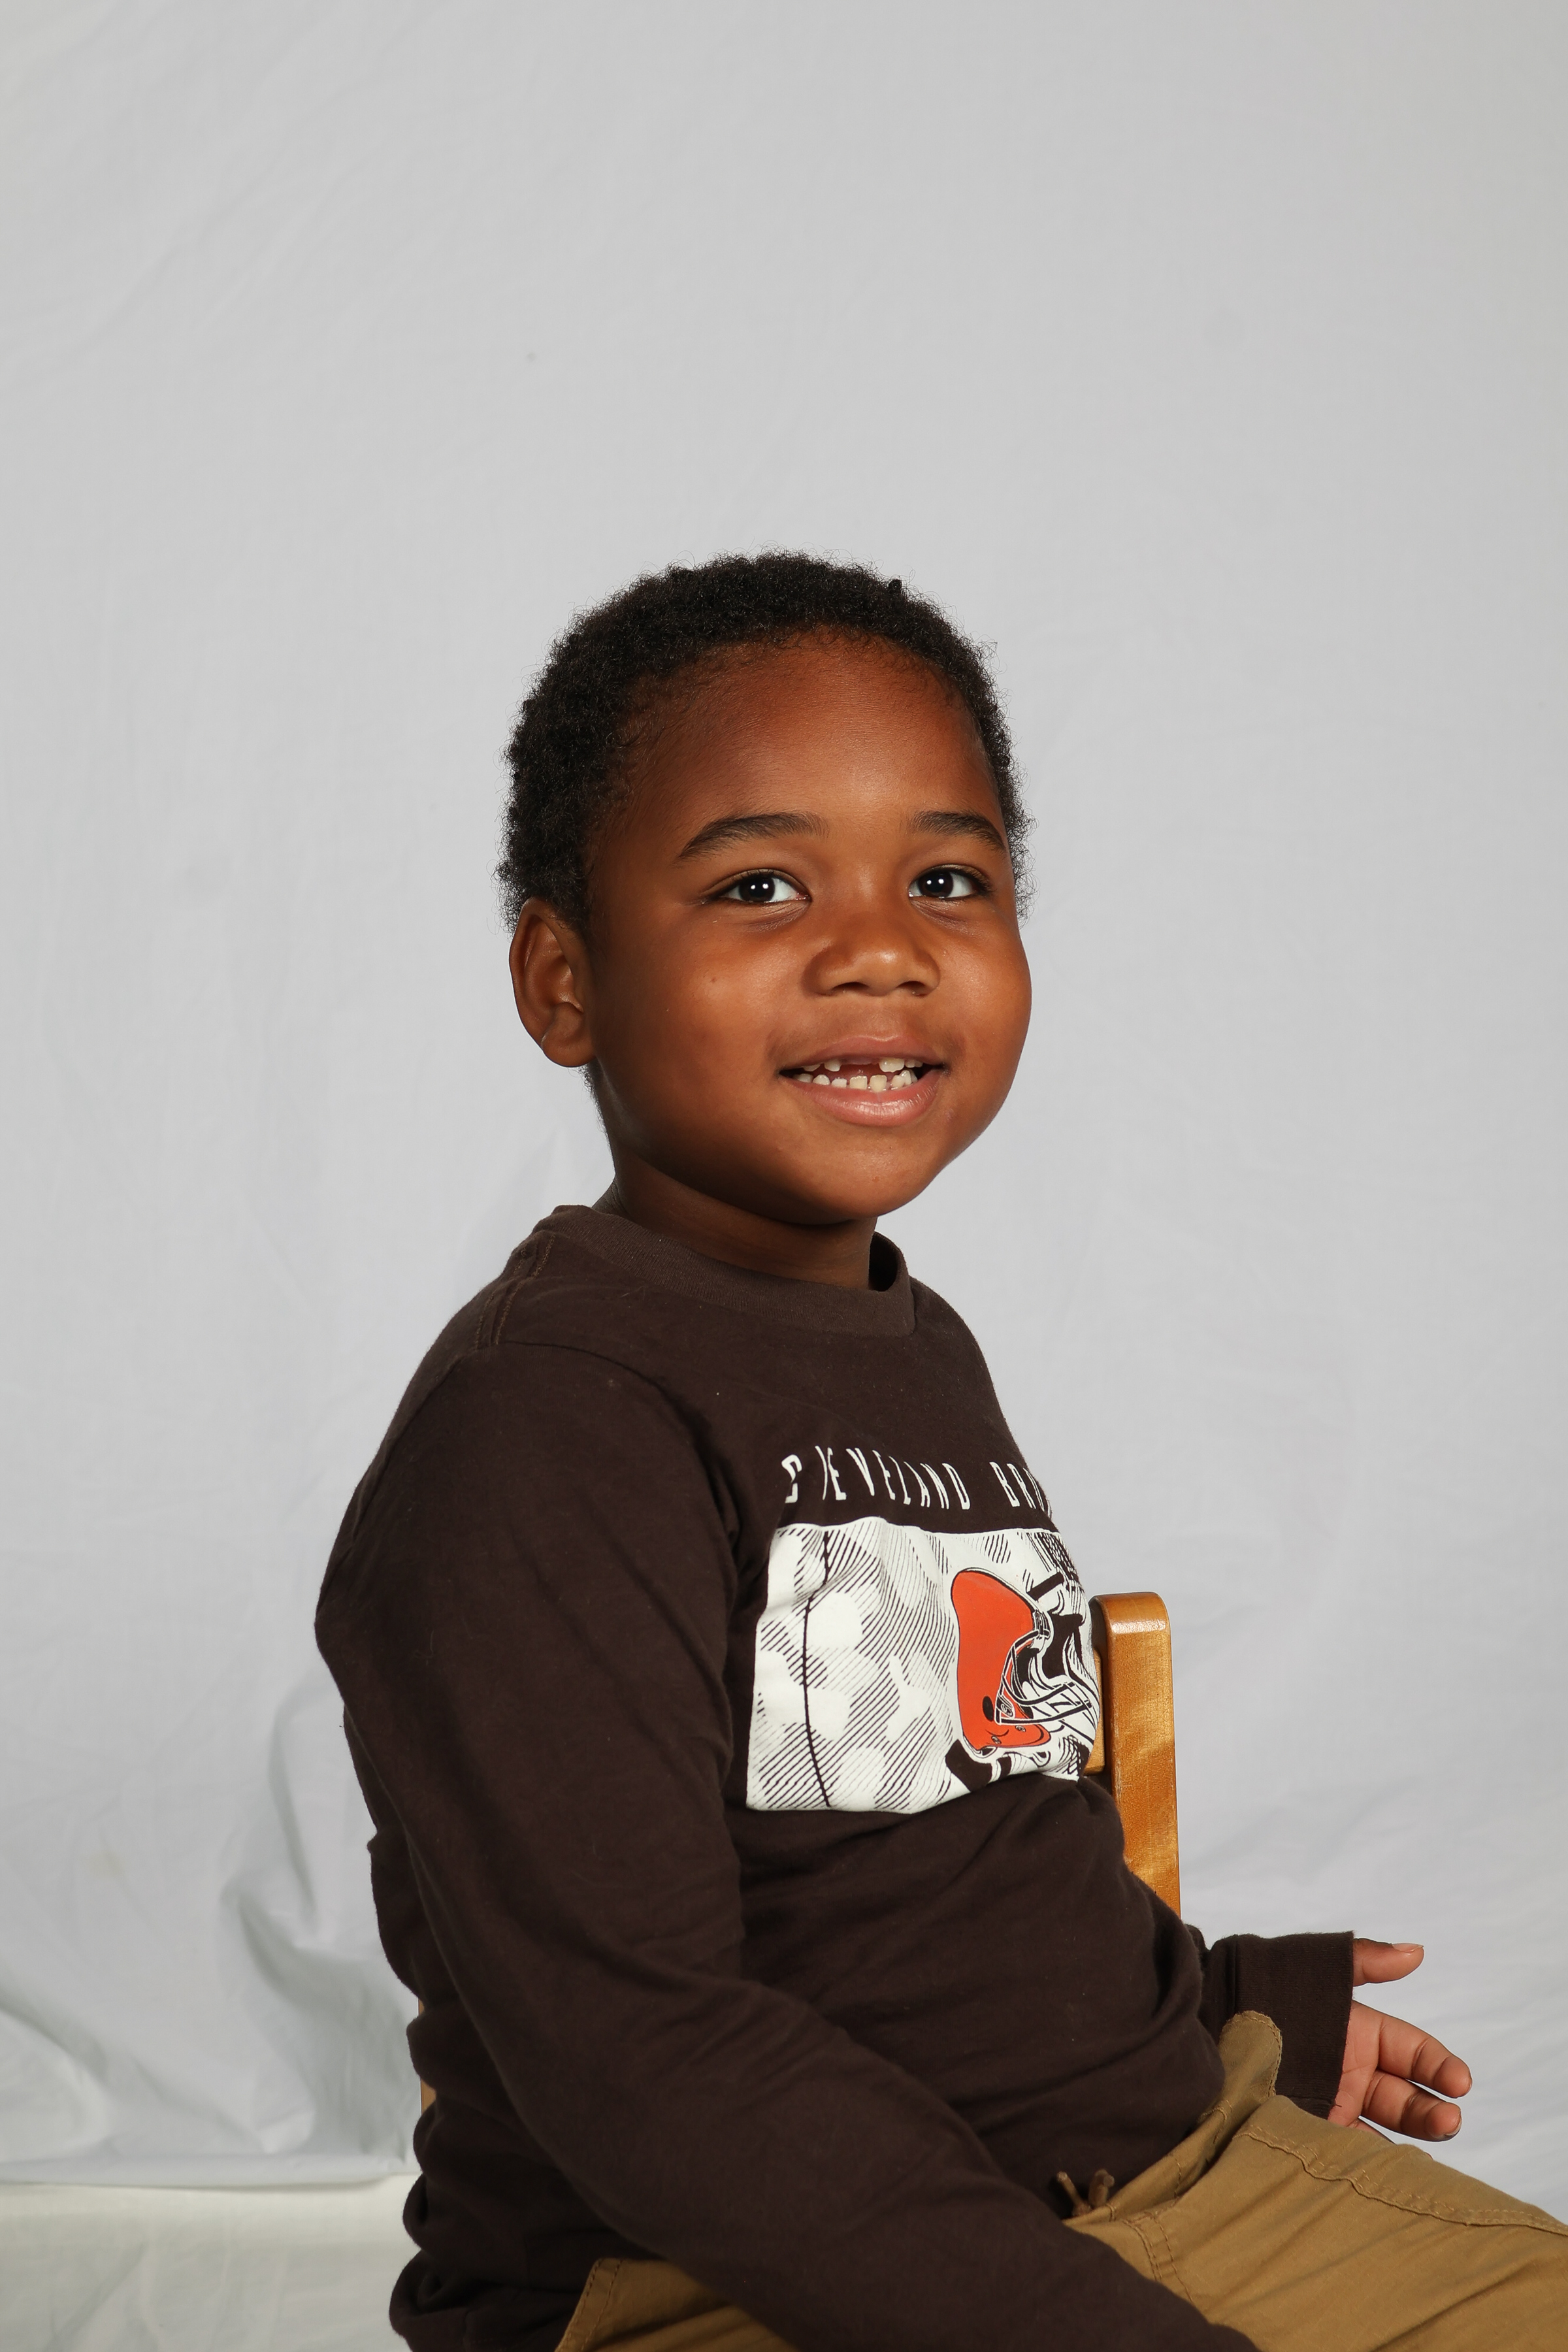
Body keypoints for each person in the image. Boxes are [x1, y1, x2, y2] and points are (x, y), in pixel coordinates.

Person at [316, 555, 1565, 2352]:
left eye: (948, 880)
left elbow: (950, 1836)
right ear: (563, 980)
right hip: (708, 2272)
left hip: (1152, 2168)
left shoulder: (919, 1349)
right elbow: (647, 2058)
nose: (878, 947)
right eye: (761, 884)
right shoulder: (543, 1433)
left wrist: (1218, 2005)